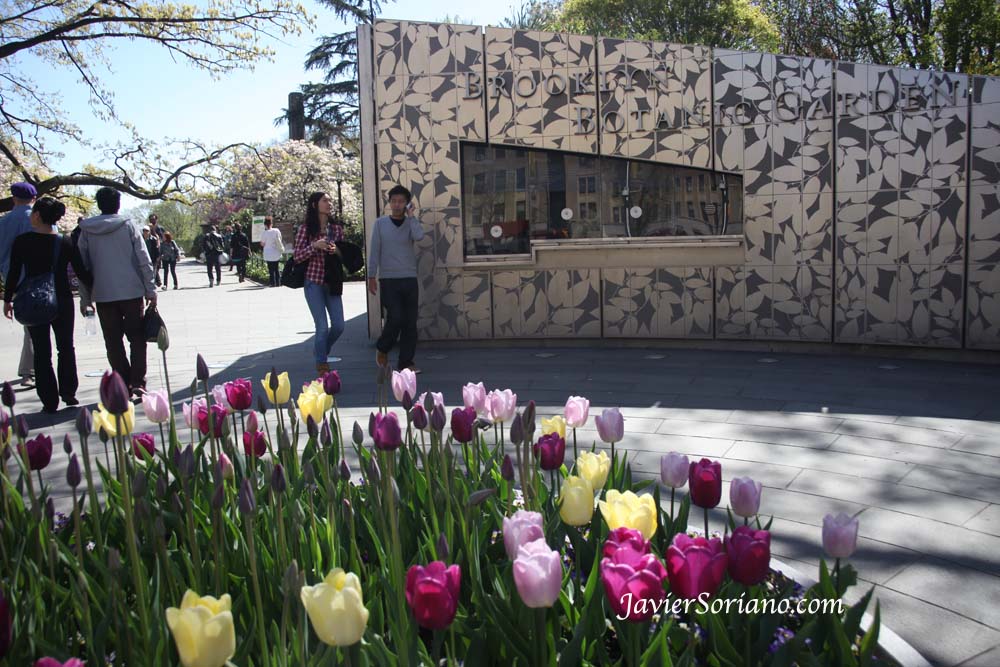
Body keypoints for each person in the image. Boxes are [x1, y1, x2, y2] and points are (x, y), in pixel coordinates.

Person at [3, 198, 92, 413]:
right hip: (62, 299)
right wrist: (92, 294)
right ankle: (68, 392)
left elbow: (13, 272)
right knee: (66, 347)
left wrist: (8, 299)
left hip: (34, 300)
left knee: (42, 351)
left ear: (37, 215)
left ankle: (49, 399)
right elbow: (81, 272)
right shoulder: (65, 241)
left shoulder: (23, 241)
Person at [78, 187, 157, 399]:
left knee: (113, 342)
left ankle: (122, 382)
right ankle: (137, 382)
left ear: (99, 204)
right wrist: (150, 289)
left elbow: (82, 267)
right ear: (118, 204)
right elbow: (143, 258)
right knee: (137, 338)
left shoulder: (87, 230)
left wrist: (85, 298)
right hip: (131, 292)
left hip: (103, 294)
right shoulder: (128, 225)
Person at [367, 184, 424, 373]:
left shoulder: (410, 223)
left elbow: (419, 236)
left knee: (410, 323)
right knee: (396, 317)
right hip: (389, 279)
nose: (397, 205)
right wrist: (371, 276)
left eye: (401, 201)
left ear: (407, 203)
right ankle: (383, 347)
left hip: (409, 277)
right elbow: (374, 250)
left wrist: (412, 216)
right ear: (389, 203)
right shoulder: (380, 223)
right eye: (393, 201)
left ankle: (406, 363)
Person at [293, 192, 345, 374]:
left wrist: (336, 250)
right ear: (315, 205)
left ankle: (321, 350)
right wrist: (314, 246)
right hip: (313, 282)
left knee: (339, 326)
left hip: (332, 282)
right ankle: (322, 364)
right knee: (322, 326)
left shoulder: (336, 229)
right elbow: (297, 256)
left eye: (330, 200)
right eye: (325, 200)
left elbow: (344, 255)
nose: (329, 203)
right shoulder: (305, 229)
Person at [0, 182, 38, 387]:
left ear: (14, 198)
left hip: (13, 279)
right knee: (37, 326)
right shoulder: (40, 218)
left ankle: (29, 370)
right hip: (39, 278)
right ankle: (30, 370)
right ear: (34, 198)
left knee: (30, 325)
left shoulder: (4, 222)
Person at [260, 217, 284, 287]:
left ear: (265, 225)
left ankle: (272, 283)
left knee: (271, 269)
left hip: (268, 253)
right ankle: (278, 283)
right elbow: (280, 239)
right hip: (276, 252)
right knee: (276, 268)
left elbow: (262, 244)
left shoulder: (264, 233)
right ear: (271, 224)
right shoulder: (276, 230)